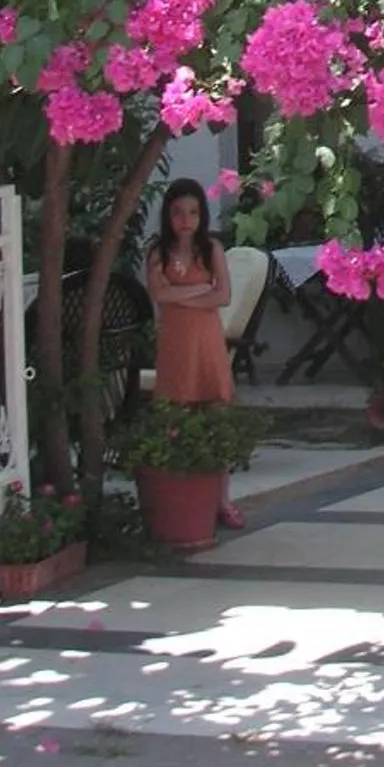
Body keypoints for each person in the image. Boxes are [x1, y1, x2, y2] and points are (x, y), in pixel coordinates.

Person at [145, 176, 245, 531]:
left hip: (207, 342)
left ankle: (222, 500)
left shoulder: (211, 249)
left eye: (192, 212)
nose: (185, 220)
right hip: (175, 343)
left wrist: (183, 293)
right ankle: (179, 498)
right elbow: (160, 294)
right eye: (178, 212)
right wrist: (200, 290)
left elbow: (223, 296)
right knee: (175, 415)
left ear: (202, 214)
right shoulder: (159, 252)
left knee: (217, 416)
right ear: (167, 215)